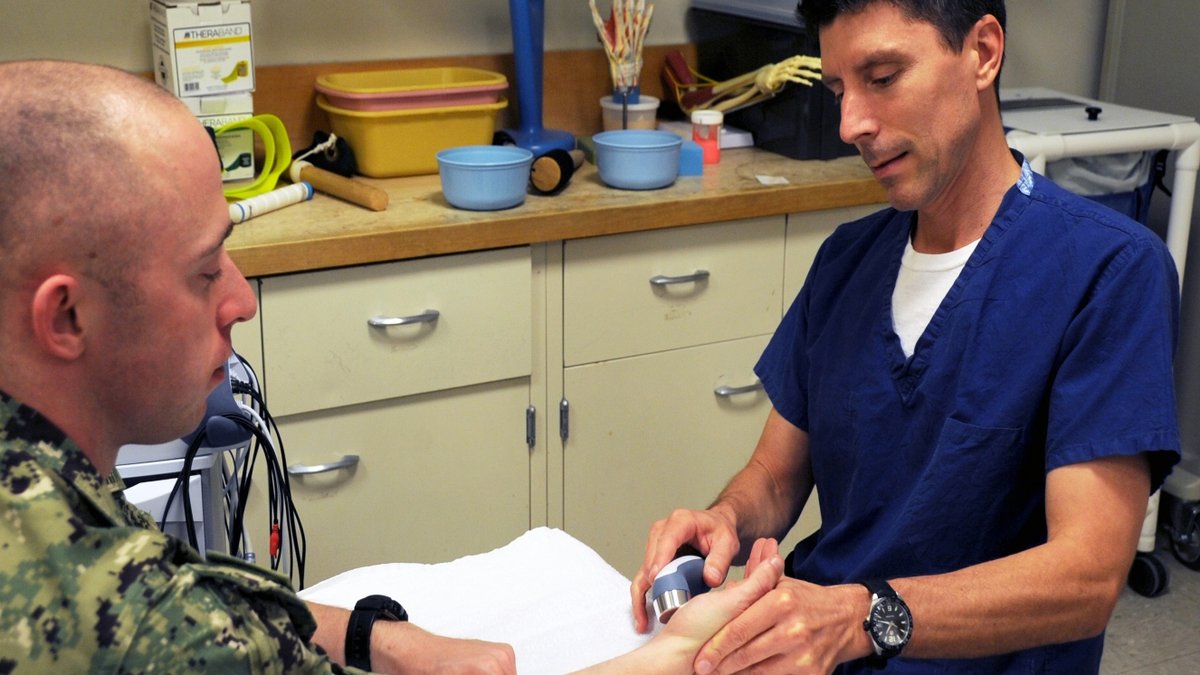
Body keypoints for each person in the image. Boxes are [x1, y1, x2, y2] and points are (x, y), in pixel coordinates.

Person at [0, 57, 789, 675]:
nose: (242, 300)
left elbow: (195, 586)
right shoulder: (97, 604)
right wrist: (680, 654)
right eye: (206, 271)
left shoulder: (47, 485)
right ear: (65, 316)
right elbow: (171, 619)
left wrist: (383, 637)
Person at [630, 1, 1182, 673]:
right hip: (817, 646)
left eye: (883, 77)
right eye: (838, 90)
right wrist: (726, 521)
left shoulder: (1108, 272)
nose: (850, 124)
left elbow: (1085, 578)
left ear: (982, 52)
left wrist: (860, 617)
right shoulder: (846, 262)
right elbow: (774, 474)